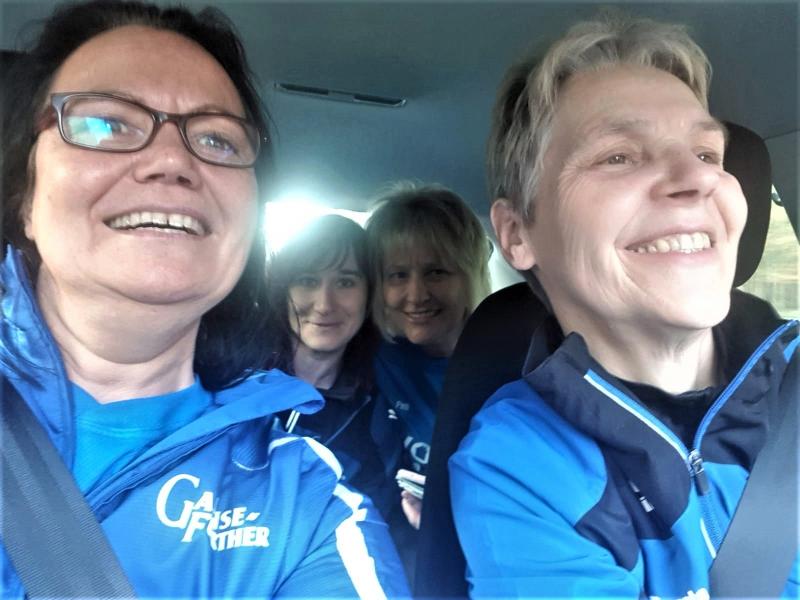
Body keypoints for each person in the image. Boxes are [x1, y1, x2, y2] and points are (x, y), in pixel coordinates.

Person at [0, 1, 408, 597]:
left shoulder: (309, 502)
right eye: (107, 123)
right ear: (24, 200)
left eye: (217, 139)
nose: (172, 160)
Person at [449, 12, 799, 599]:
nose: (695, 178)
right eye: (619, 156)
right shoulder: (519, 462)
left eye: (707, 153)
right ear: (516, 234)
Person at [366, 183, 491, 576]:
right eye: (397, 275)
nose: (416, 294)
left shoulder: (510, 365)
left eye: (436, 272)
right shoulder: (374, 358)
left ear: (468, 275)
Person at [264, 214, 400, 521]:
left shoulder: (379, 411)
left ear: (370, 296)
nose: (325, 304)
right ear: (283, 290)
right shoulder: (235, 380)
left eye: (345, 282)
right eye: (308, 281)